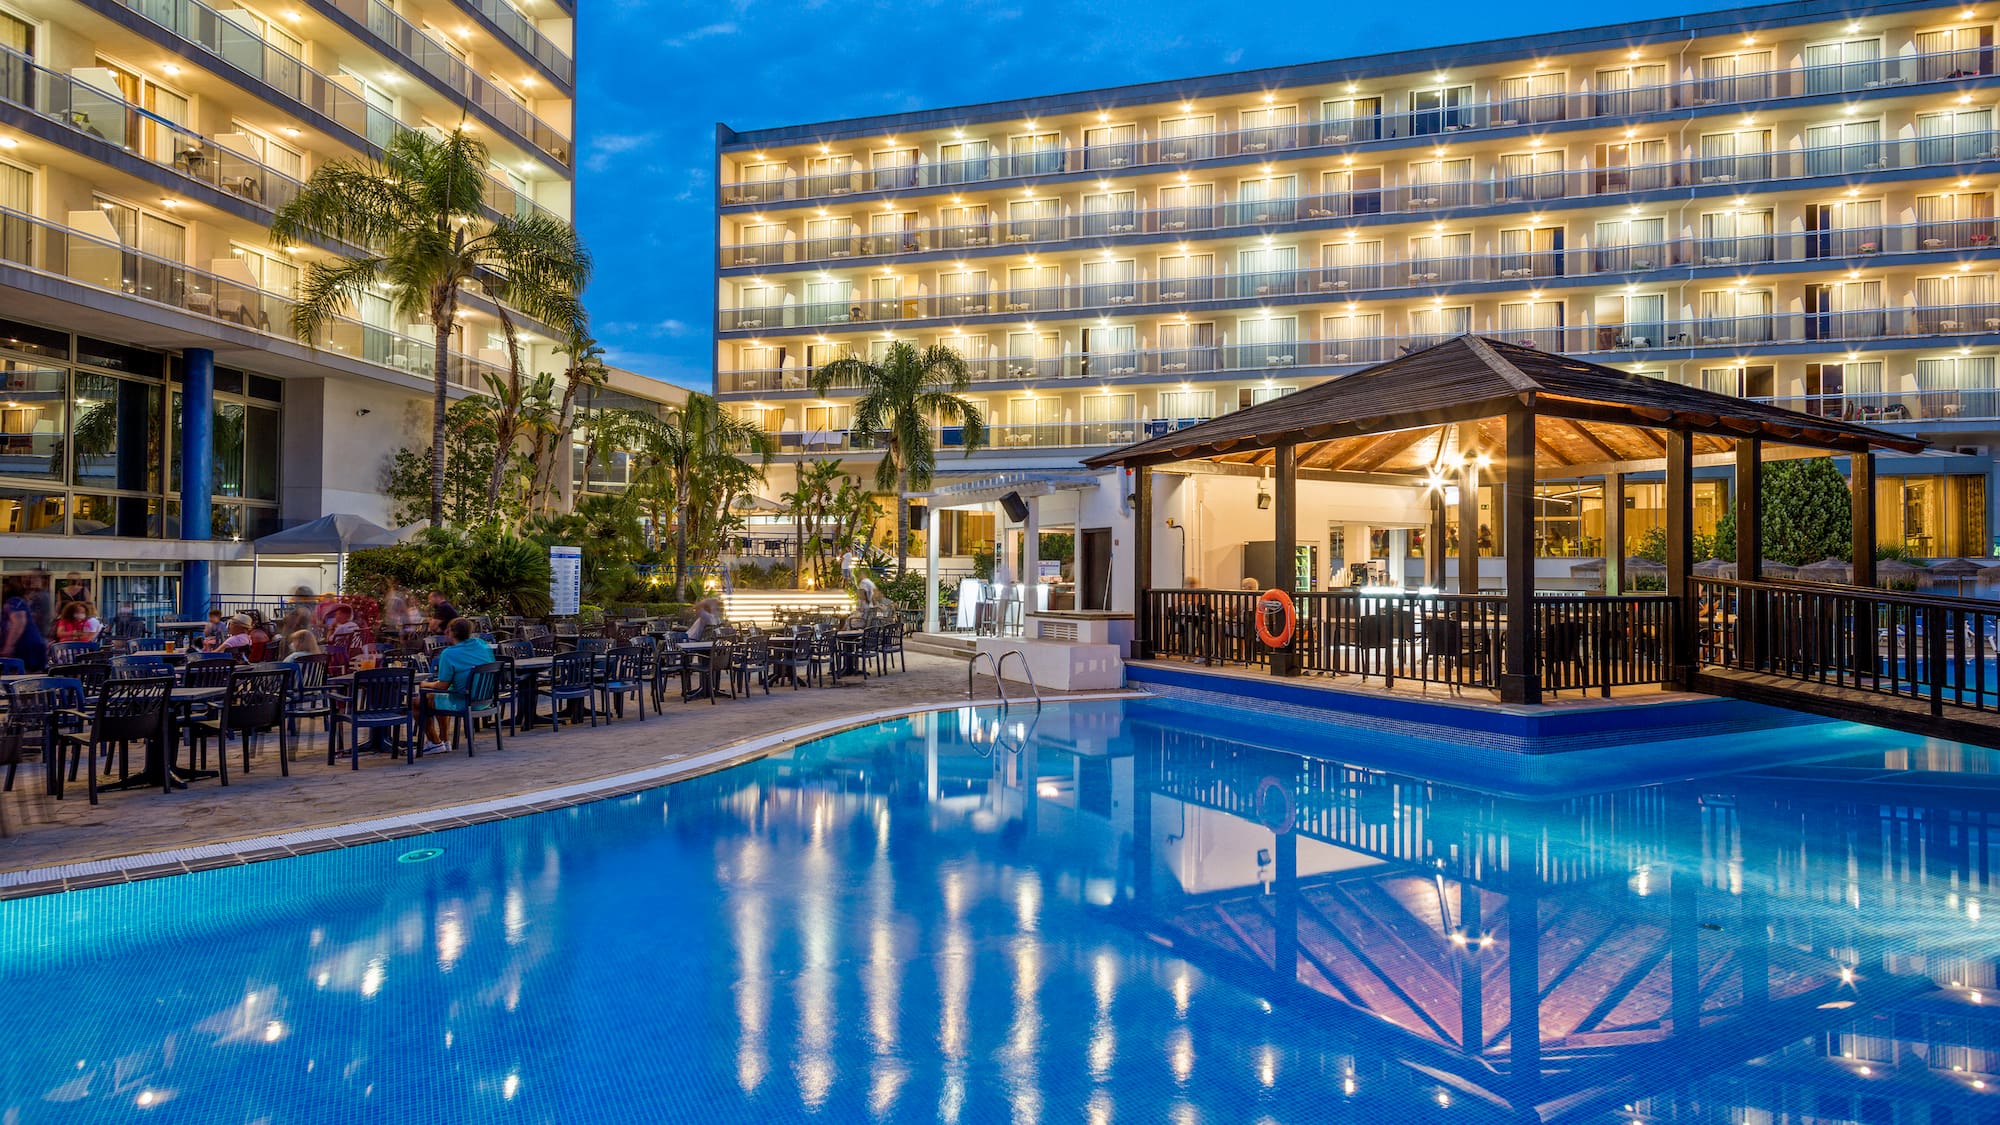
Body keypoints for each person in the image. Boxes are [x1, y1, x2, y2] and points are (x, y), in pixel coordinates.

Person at [419, 617, 494, 754]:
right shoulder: (483, 645)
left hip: (464, 701)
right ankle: (444, 741)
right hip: (485, 700)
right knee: (437, 697)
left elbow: (442, 686)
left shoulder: (449, 653)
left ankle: (435, 742)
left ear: (452, 633)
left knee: (418, 701)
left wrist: (426, 684)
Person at [0, 591, 46, 671]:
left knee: (27, 680)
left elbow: (19, 621)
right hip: (20, 649)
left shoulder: (14, 602)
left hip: (27, 649)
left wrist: (8, 647)